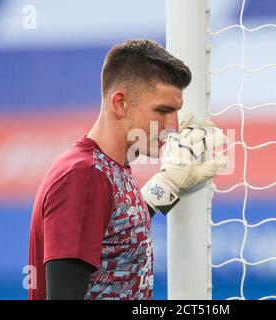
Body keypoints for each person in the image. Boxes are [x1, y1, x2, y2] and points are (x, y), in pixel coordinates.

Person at [28, 39, 227, 300]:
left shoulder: (108, 168)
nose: (174, 127)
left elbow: (116, 234)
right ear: (120, 103)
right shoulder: (83, 176)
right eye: (163, 111)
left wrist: (166, 184)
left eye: (176, 112)